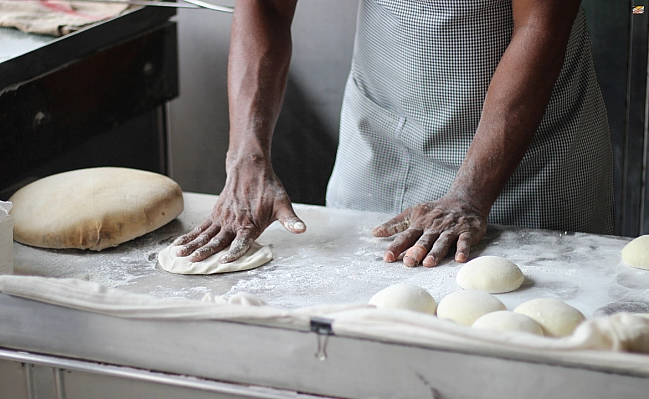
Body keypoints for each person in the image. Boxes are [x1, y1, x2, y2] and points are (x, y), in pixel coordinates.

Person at [173, 0, 614, 268]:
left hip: (528, 159)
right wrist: (246, 156)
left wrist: (471, 193)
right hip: (382, 135)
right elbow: (267, 5)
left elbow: (541, 25)